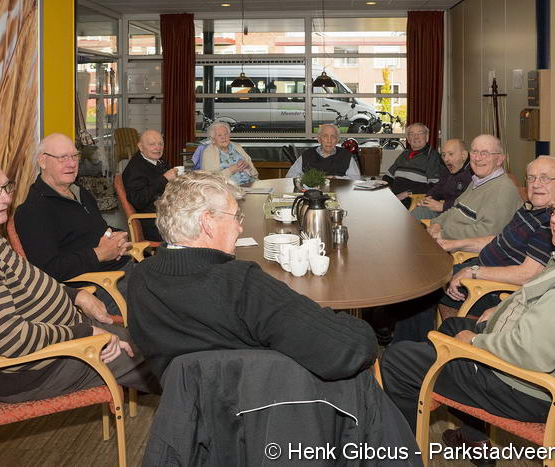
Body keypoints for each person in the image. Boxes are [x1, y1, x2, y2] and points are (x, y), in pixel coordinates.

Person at [381, 182, 555, 462]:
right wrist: (502, 308)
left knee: (397, 360)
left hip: (523, 387)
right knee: (453, 327)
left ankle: (401, 456)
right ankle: (473, 436)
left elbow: (533, 353)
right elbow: (543, 301)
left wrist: (475, 342)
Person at [0, 157, 158, 403]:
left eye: (6, 188)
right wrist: (86, 332)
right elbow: (11, 339)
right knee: (165, 360)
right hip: (39, 368)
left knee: (157, 343)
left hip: (62, 340)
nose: (6, 199)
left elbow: (30, 281)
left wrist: (76, 295)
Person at [127, 171, 377, 382]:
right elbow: (348, 350)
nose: (240, 226)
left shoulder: (140, 279)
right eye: (236, 216)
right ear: (207, 222)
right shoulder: (240, 284)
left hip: (186, 410)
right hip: (265, 409)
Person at [390, 157, 555, 344]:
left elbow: (527, 274)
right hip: (478, 267)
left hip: (492, 288)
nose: (536, 184)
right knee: (419, 273)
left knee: (422, 287)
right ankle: (402, 340)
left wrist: (472, 271)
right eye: (531, 178)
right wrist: (454, 244)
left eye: (545, 178)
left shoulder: (551, 223)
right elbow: (498, 240)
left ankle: (407, 349)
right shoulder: (530, 210)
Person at [15, 133, 133, 315]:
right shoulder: (33, 210)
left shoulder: (80, 192)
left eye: (74, 156)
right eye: (62, 158)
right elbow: (48, 270)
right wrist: (100, 254)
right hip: (101, 288)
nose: (71, 164)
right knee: (169, 298)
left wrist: (118, 236)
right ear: (42, 161)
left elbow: (99, 229)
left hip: (124, 271)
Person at [428, 134, 523, 241]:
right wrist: (438, 223)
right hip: (445, 236)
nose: (477, 158)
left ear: (499, 159)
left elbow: (488, 232)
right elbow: (455, 209)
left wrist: (444, 234)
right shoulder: (477, 181)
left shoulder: (503, 190)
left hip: (461, 247)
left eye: (485, 153)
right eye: (474, 152)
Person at [121, 129, 178, 241]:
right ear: (140, 147)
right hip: (155, 223)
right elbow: (139, 200)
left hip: (167, 215)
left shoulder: (157, 161)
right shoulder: (135, 169)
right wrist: (164, 179)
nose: (158, 148)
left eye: (160, 144)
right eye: (152, 144)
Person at [382, 122, 442, 207]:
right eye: (412, 134)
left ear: (427, 137)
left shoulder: (432, 157)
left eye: (420, 133)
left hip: (412, 200)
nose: (416, 137)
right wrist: (389, 191)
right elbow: (388, 177)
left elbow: (434, 186)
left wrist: (407, 193)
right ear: (408, 139)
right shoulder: (404, 154)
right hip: (394, 198)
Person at [410, 138, 472, 220]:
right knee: (419, 212)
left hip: (462, 216)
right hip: (446, 211)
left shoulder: (474, 173)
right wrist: (427, 199)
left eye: (451, 154)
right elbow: (438, 189)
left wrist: (443, 206)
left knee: (418, 214)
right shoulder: (447, 171)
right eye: (443, 155)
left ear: (463, 155)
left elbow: (472, 202)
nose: (446, 159)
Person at [191, 122, 258, 185]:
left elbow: (255, 174)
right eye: (219, 135)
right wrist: (230, 170)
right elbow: (210, 179)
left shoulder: (237, 146)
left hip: (250, 184)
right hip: (228, 188)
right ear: (213, 139)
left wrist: (248, 167)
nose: (224, 137)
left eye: (226, 134)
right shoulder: (208, 152)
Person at [285, 124, 361, 179]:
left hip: (339, 193)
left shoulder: (346, 156)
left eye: (333, 137)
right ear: (319, 139)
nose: (329, 141)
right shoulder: (307, 155)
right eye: (325, 136)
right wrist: (308, 179)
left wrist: (335, 178)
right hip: (312, 194)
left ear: (337, 140)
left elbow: (356, 179)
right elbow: (289, 176)